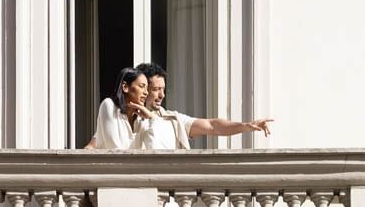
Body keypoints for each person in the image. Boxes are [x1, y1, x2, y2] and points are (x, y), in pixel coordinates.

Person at [86, 62, 273, 150]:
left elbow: (212, 125)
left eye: (163, 89)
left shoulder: (172, 120)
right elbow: (95, 145)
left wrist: (246, 126)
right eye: (154, 89)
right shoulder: (115, 113)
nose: (162, 95)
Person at [89, 67, 152, 150]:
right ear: (125, 87)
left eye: (147, 88)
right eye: (141, 86)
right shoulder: (109, 105)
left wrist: (151, 118)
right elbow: (114, 149)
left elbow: (154, 147)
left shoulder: (142, 117)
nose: (146, 92)